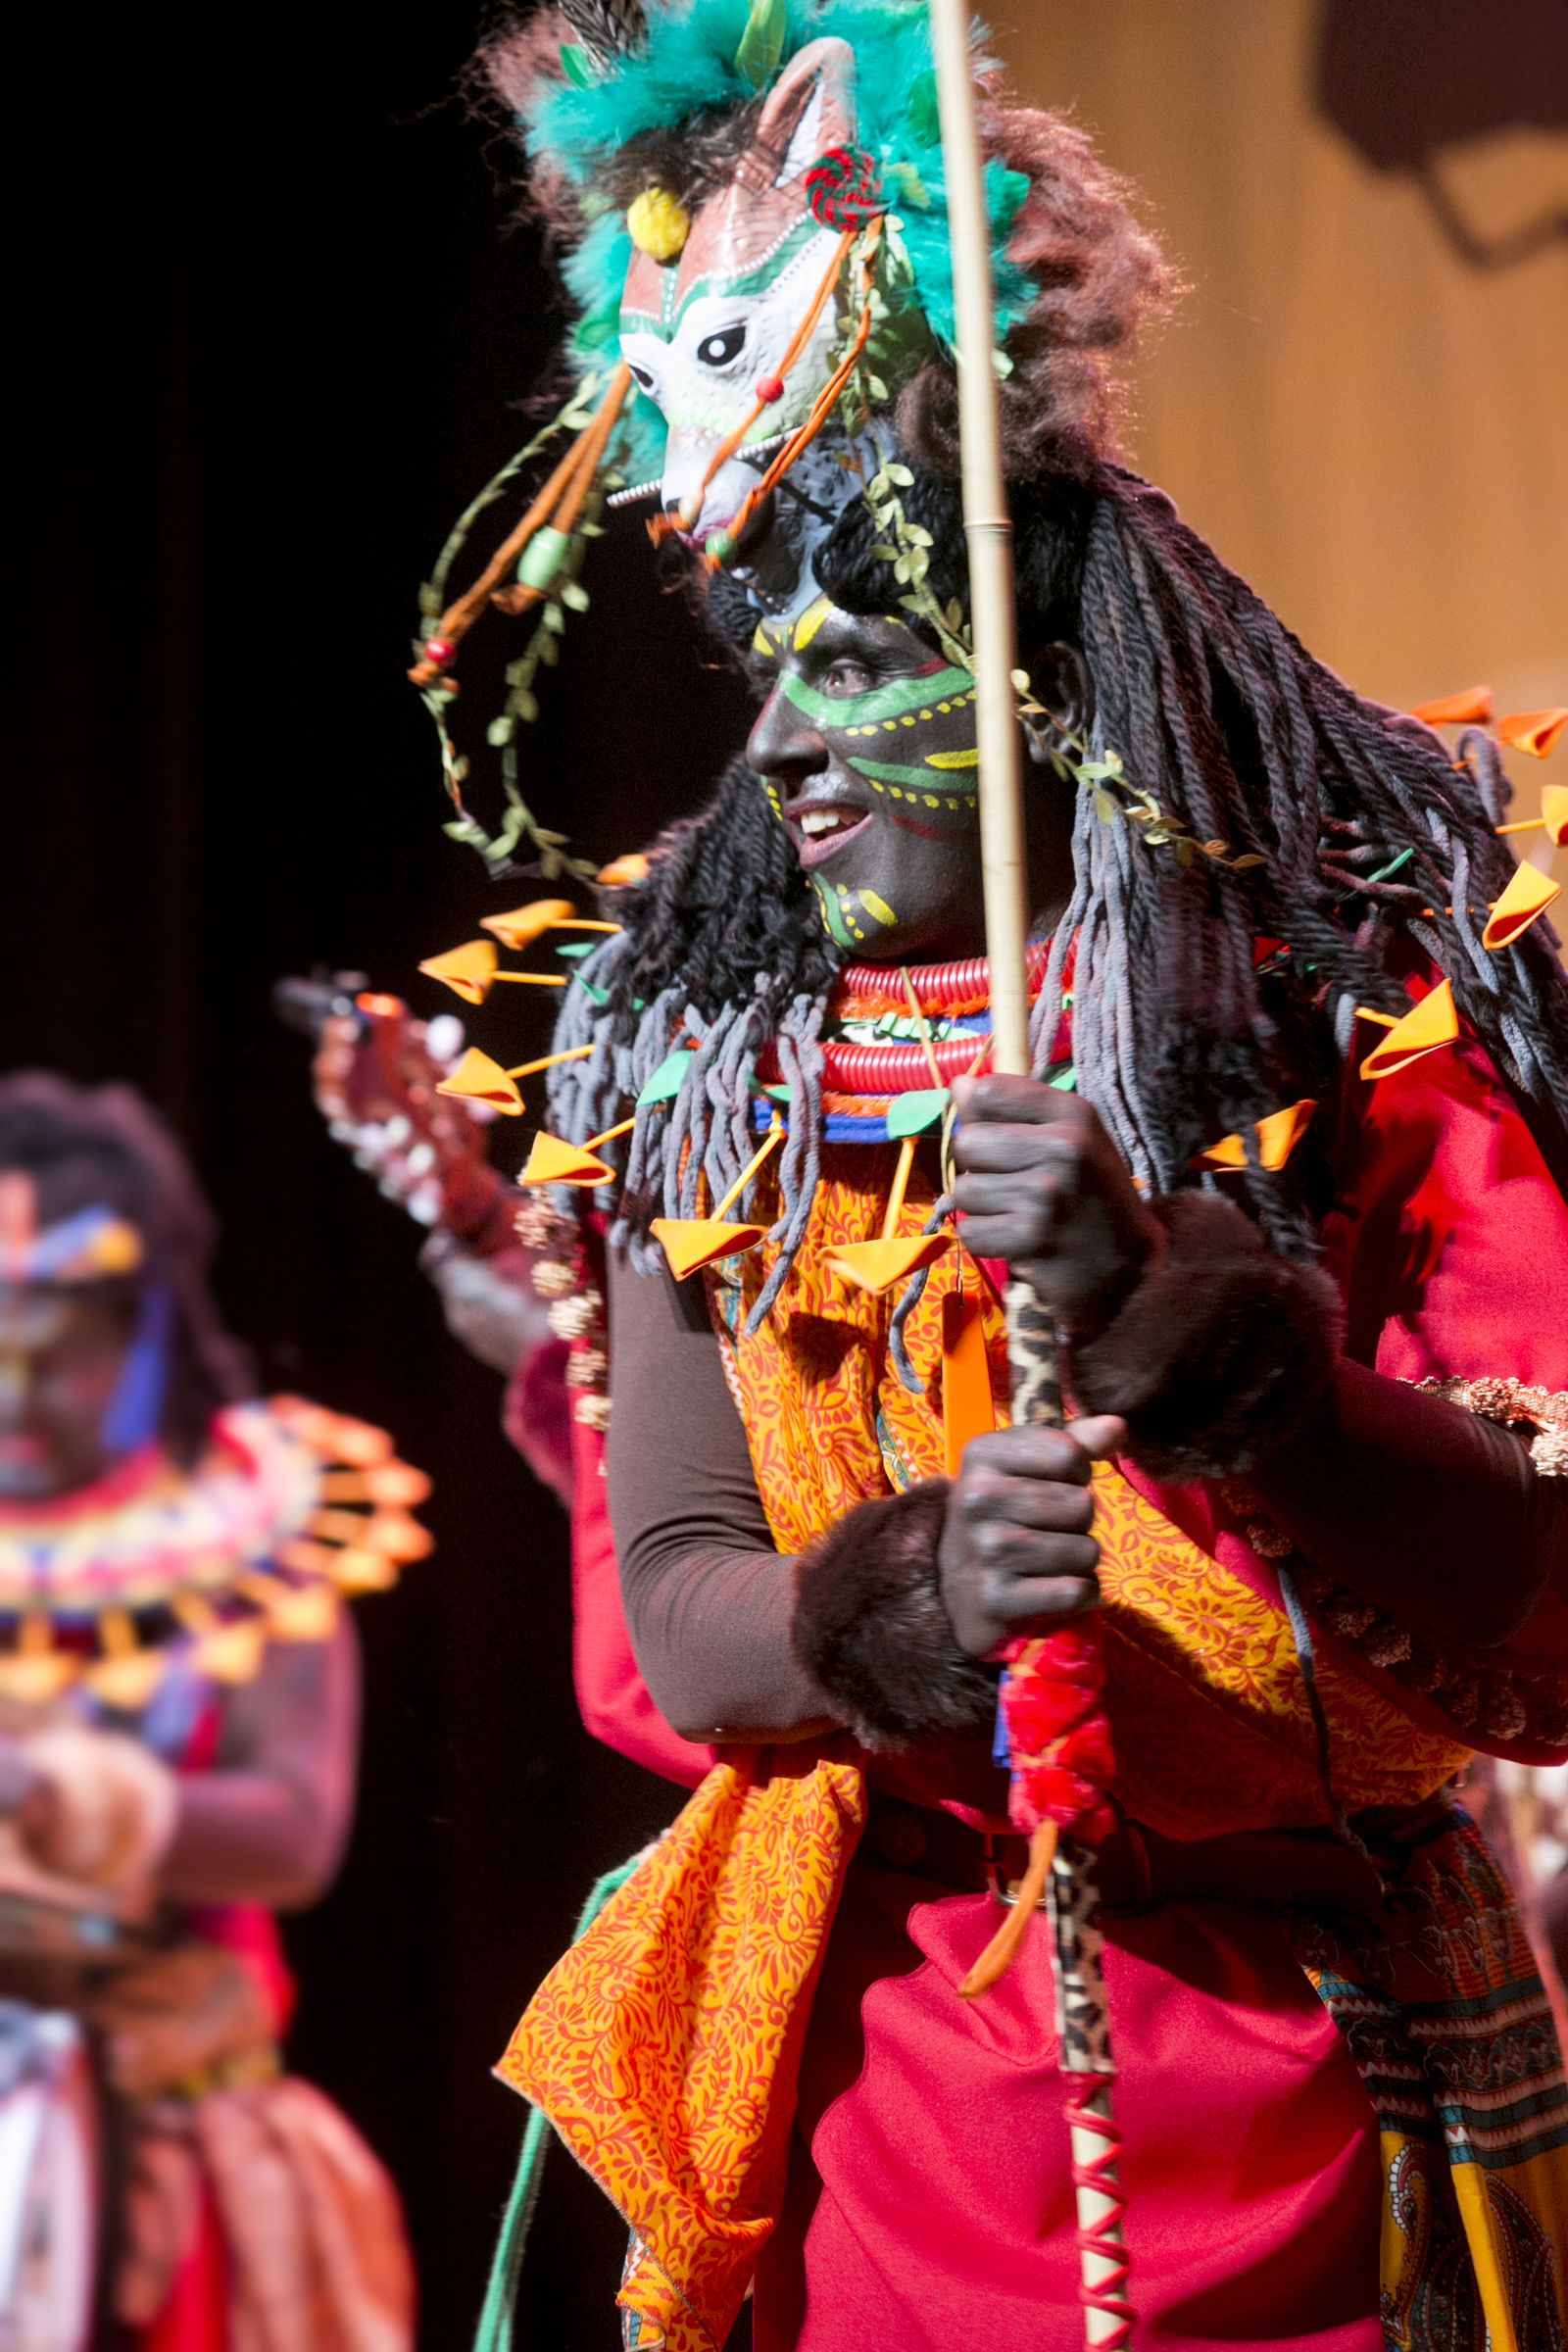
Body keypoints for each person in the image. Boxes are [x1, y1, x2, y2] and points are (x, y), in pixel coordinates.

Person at [412, 6, 1568, 2344]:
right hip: (895, 2097)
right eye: (761, 656)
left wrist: (1232, 1373)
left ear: (1042, 667)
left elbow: (1537, 1647)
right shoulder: (698, 1067)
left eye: (862, 646)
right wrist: (896, 1607)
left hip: (1340, 2104)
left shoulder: (1359, 1015)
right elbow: (672, 1600)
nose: (783, 738)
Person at [0, 1072, 416, 2350]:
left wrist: (62, 1796)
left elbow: (295, 1831)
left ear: (142, 1328)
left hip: (169, 2156)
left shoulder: (255, 1540)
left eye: (53, 1342)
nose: (15, 1389)